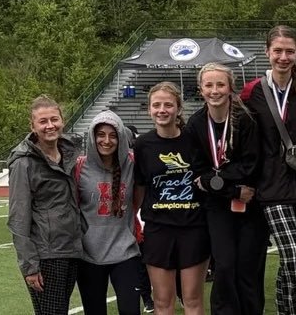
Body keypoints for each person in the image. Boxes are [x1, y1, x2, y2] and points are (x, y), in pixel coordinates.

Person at [241, 25, 296, 314]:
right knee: (292, 257)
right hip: (272, 186)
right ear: (267, 52)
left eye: (289, 51)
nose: (283, 57)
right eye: (277, 51)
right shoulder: (251, 92)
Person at [186, 63, 268, 314]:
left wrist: (215, 179)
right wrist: (229, 189)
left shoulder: (246, 118)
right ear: (201, 89)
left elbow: (251, 165)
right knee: (223, 266)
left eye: (220, 84)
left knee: (248, 268)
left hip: (250, 205)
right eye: (209, 85)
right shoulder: (196, 124)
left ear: (231, 87)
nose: (214, 90)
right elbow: (198, 173)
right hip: (218, 206)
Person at [133, 82, 210, 315]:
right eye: (156, 105)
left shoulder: (194, 139)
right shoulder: (143, 144)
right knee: (162, 302)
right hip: (158, 229)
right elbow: (140, 186)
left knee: (192, 300)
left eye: (168, 104)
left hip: (194, 227)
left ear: (178, 108)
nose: (162, 110)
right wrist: (130, 221)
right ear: (149, 110)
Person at [8, 95, 84, 315]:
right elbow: (18, 216)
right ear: (33, 126)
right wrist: (29, 266)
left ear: (62, 121)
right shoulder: (24, 162)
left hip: (70, 249)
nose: (50, 125)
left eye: (54, 119)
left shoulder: (68, 154)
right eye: (43, 121)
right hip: (46, 254)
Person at [74, 110, 141, 315]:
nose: (106, 140)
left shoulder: (132, 164)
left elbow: (138, 200)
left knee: (131, 311)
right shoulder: (79, 167)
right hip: (89, 255)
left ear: (121, 137)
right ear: (93, 137)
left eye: (113, 135)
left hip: (126, 252)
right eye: (101, 134)